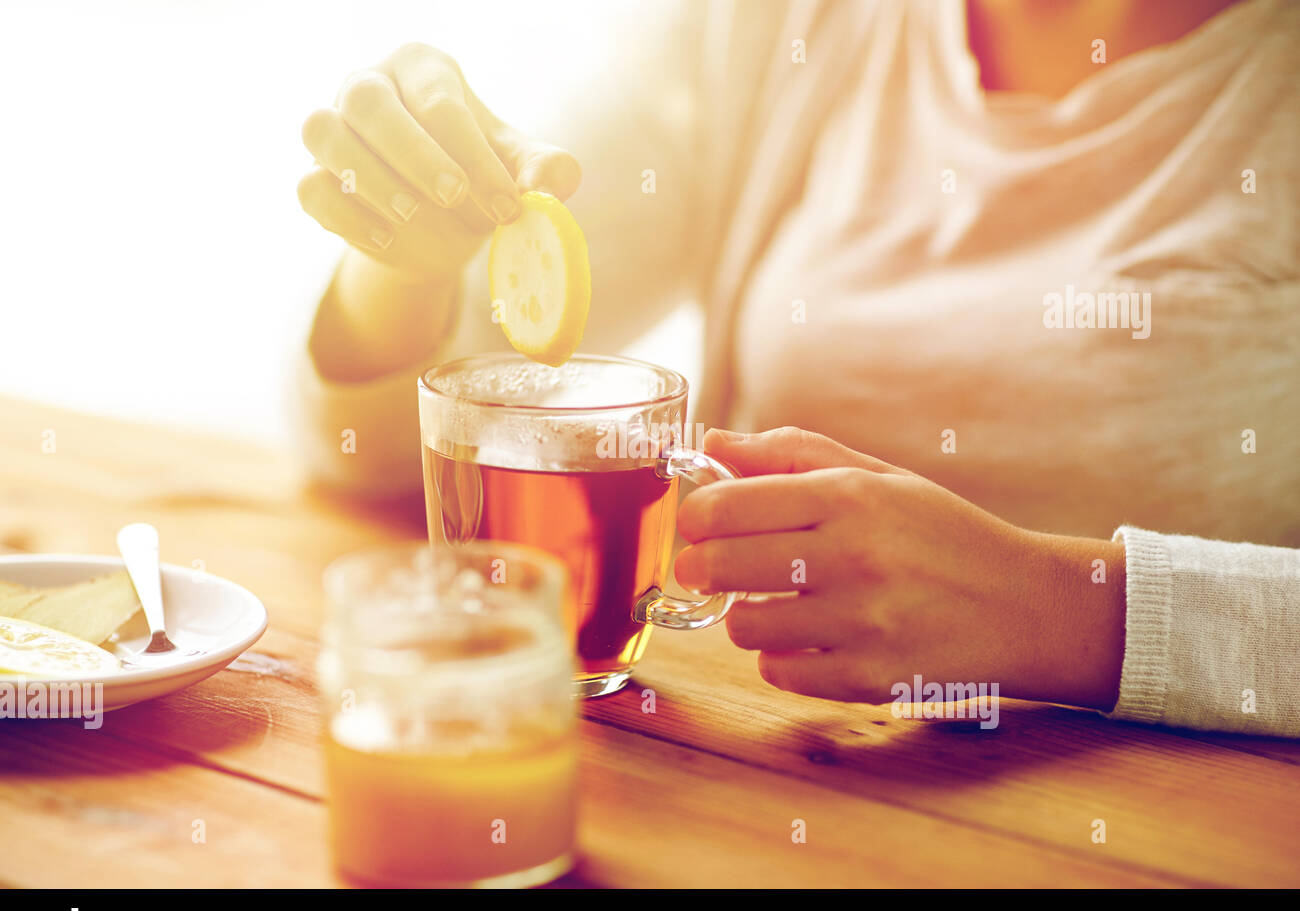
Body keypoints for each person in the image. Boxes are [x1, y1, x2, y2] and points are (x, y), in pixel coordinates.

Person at [295, 0, 1299, 736]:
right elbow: (374, 451)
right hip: (771, 773)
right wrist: (404, 253)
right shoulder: (773, 25)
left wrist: (1063, 607)